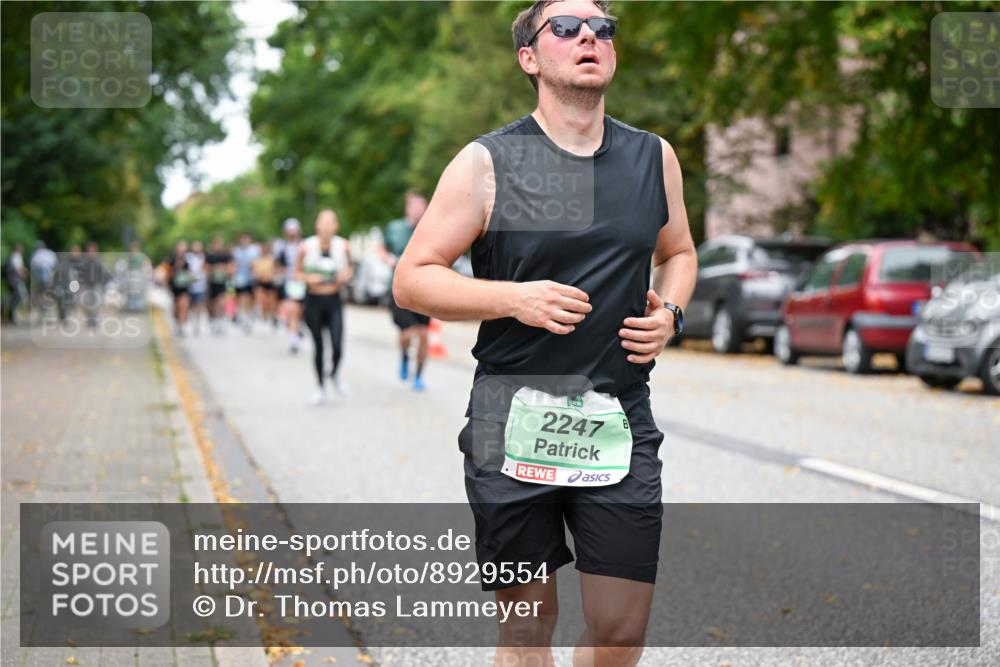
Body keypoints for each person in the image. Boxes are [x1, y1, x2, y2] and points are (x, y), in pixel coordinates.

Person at [393, 2, 697, 666]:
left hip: (616, 417)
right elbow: (412, 278)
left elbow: (679, 253)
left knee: (620, 633)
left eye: (602, 27)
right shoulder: (487, 163)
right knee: (528, 632)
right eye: (565, 26)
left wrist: (670, 313)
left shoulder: (653, 158)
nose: (589, 35)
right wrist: (513, 298)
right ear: (530, 57)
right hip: (512, 420)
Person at [295, 209, 353, 405]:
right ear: (317, 225)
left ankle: (334, 374)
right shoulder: (305, 246)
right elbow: (297, 273)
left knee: (337, 346)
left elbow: (350, 268)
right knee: (319, 346)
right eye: (323, 221)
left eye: (331, 222)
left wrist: (345, 275)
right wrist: (310, 278)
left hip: (334, 300)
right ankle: (319, 386)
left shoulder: (343, 245)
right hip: (314, 301)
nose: (327, 225)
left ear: (336, 226)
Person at [381, 191, 431, 390]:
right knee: (408, 334)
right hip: (399, 289)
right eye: (415, 206)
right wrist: (388, 259)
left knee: (424, 335)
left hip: (425, 290)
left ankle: (418, 376)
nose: (418, 210)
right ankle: (403, 356)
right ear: (407, 208)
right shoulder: (394, 228)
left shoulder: (432, 230)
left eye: (422, 206)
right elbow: (382, 248)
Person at [276, 218, 306, 352]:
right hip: (289, 283)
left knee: (301, 311)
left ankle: (298, 328)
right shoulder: (282, 248)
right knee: (292, 310)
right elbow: (279, 266)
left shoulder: (305, 245)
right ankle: (294, 338)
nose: (292, 233)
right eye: (289, 231)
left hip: (304, 283)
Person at [232, 232, 260, 333]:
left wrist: (254, 268)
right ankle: (242, 315)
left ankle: (248, 315)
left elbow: (257, 263)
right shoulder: (237, 251)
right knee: (241, 296)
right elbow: (234, 264)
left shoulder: (254, 250)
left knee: (249, 297)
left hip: (250, 278)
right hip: (239, 278)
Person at [204, 235, 232, 335]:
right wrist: (215, 268)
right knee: (212, 302)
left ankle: (221, 319)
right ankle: (214, 320)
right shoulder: (209, 256)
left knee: (221, 301)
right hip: (212, 282)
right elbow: (205, 268)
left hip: (222, 282)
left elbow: (230, 268)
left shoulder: (225, 255)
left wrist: (223, 269)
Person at [252, 239, 280, 327]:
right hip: (260, 282)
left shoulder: (271, 259)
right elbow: (254, 271)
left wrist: (272, 275)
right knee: (262, 299)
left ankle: (272, 315)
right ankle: (263, 314)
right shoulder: (257, 260)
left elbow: (277, 270)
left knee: (271, 301)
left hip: (270, 282)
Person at [168, 240, 192, 336]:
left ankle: (182, 326)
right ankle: (177, 324)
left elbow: (190, 274)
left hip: (184, 287)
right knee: (175, 308)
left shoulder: (187, 261)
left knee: (183, 305)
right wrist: (176, 268)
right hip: (173, 287)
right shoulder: (170, 260)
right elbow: (166, 274)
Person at [186, 240, 208, 335]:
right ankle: (193, 322)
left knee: (199, 305)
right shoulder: (188, 257)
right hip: (190, 285)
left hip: (201, 285)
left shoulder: (203, 257)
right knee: (192, 305)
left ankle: (197, 324)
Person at [2, 243, 28, 323]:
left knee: (15, 296)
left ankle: (10, 315)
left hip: (11, 280)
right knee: (18, 296)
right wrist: (24, 275)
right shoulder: (16, 256)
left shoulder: (13, 256)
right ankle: (11, 315)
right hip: (14, 280)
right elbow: (17, 268)